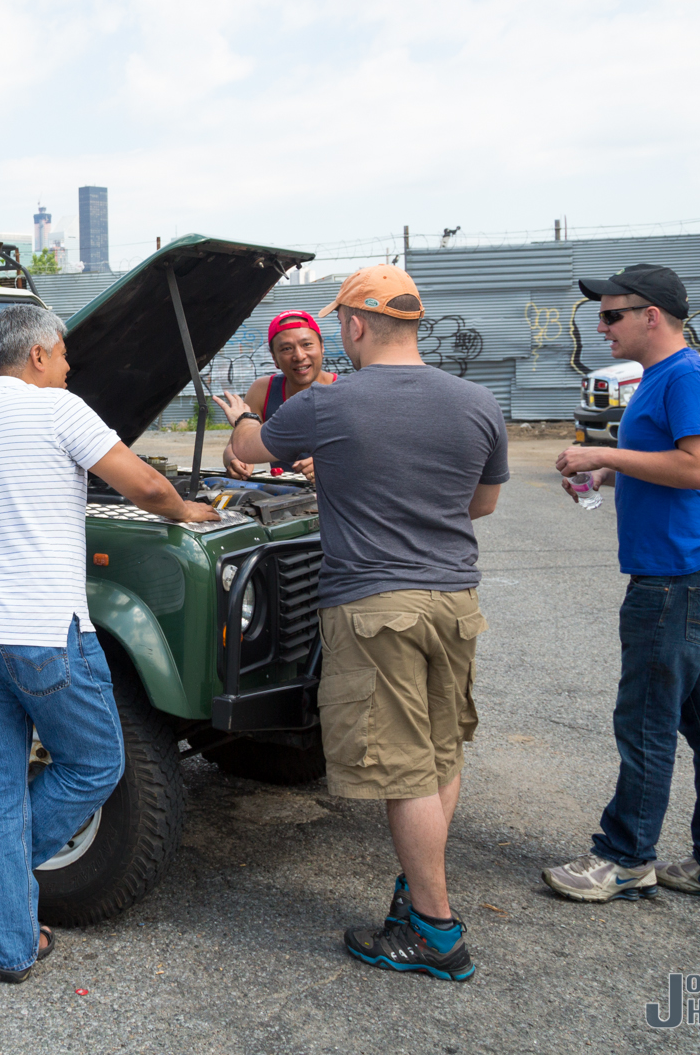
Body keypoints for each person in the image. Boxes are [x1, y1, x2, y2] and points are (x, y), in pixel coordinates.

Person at [216, 264, 506, 983]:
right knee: (441, 751)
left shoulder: (330, 403)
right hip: (454, 601)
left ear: (351, 326)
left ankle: (436, 931)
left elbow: (251, 454)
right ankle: (418, 889)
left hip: (377, 607)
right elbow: (482, 505)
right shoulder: (476, 402)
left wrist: (242, 416)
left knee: (402, 769)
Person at [0, 303, 219, 983]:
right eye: (62, 354)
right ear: (36, 355)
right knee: (96, 763)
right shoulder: (59, 409)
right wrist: (188, 509)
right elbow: (146, 485)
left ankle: (12, 944)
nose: (68, 366)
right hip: (38, 631)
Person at [544, 264, 700, 910]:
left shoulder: (686, 376)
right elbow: (683, 466)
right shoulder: (667, 378)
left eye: (612, 315)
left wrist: (603, 456)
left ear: (652, 316)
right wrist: (612, 474)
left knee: (647, 720)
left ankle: (623, 856)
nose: (602, 327)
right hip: (697, 573)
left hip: (680, 580)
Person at [222, 310, 337, 483]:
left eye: (307, 344)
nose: (299, 356)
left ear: (321, 347)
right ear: (274, 358)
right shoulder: (263, 390)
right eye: (286, 349)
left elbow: (371, 455)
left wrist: (332, 463)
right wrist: (235, 461)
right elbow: (235, 446)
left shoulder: (345, 391)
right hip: (286, 496)